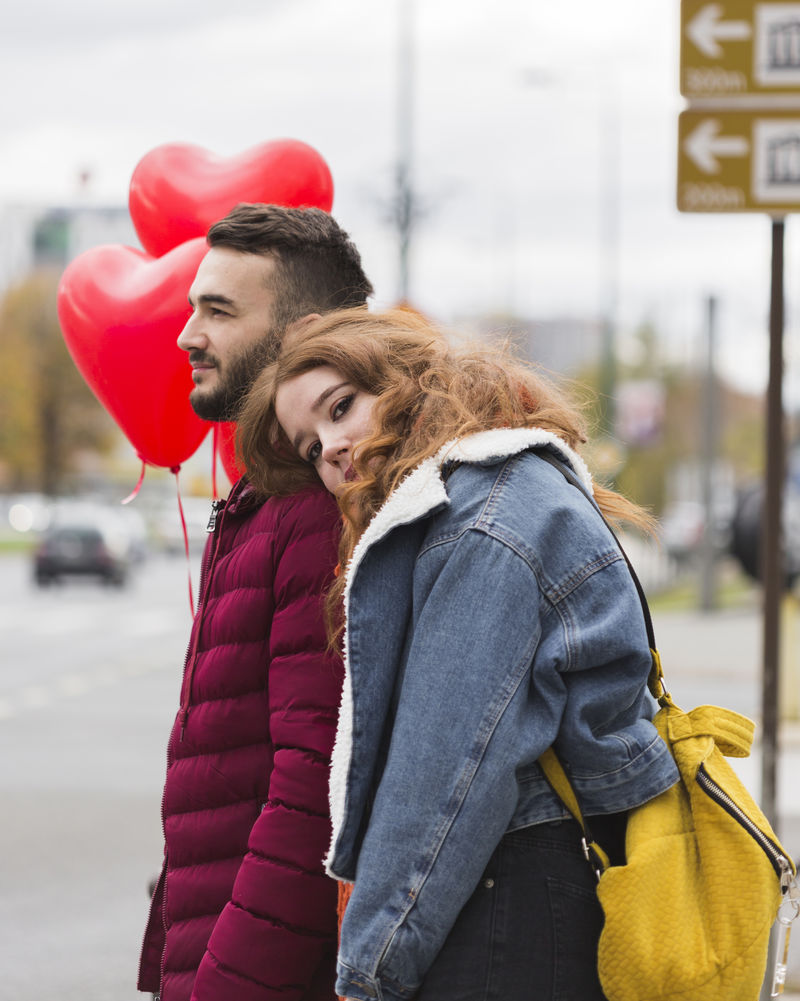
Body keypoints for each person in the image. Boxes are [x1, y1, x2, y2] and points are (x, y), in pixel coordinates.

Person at [235, 307, 681, 1001]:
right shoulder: (508, 490)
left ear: (409, 376)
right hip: (531, 897)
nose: (328, 447)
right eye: (308, 444)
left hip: (509, 907)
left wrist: (367, 971)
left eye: (341, 406)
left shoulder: (480, 524)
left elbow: (444, 784)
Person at [137, 204, 373, 1001]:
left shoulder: (310, 509)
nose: (186, 333)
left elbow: (308, 791)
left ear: (301, 332)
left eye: (219, 310)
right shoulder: (263, 498)